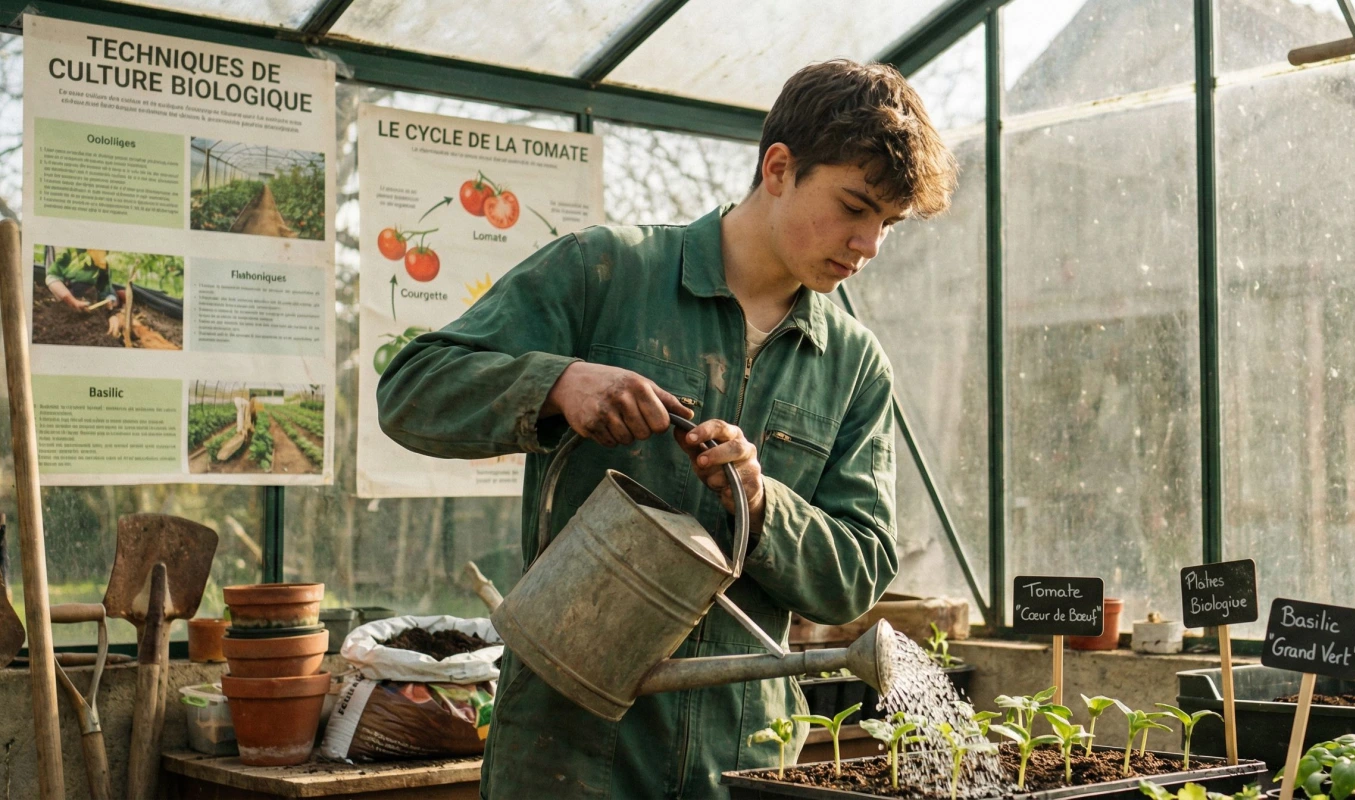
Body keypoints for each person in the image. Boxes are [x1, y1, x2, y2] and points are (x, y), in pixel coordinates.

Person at [377, 59, 958, 799]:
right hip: (571, 748)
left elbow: (858, 573)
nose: (869, 244)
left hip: (742, 758)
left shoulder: (853, 365)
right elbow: (410, 389)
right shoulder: (606, 272)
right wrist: (557, 383)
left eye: (888, 224)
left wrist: (761, 500)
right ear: (778, 167)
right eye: (853, 206)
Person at [43, 247, 125, 337]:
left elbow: (105, 286)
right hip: (62, 299)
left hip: (91, 303)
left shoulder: (102, 253)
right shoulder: (65, 251)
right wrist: (71, 300)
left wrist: (111, 309)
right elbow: (52, 277)